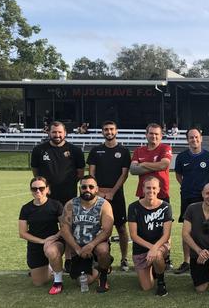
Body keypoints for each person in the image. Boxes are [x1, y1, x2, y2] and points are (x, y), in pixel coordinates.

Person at [173, 127, 209, 274]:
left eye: (196, 137)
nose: (194, 140)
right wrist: (187, 186)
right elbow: (178, 175)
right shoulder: (181, 157)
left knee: (207, 228)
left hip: (205, 199)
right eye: (191, 137)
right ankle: (186, 261)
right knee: (187, 229)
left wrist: (205, 192)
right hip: (187, 197)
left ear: (201, 138)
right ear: (187, 140)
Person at [87, 120, 131, 271]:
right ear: (102, 132)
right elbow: (91, 173)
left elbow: (124, 175)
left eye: (112, 129)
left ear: (116, 131)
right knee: (96, 227)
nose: (109, 132)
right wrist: (97, 191)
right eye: (106, 129)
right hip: (98, 195)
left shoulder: (124, 151)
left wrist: (112, 192)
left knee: (121, 227)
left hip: (116, 195)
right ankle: (97, 257)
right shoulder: (95, 151)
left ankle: (124, 258)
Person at [59, 176, 114, 293]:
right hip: (78, 247)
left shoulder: (104, 205)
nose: (87, 189)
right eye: (84, 187)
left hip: (97, 244)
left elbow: (107, 230)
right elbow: (64, 229)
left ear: (96, 189)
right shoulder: (71, 204)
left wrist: (91, 245)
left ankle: (103, 277)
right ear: (80, 188)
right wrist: (77, 248)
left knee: (103, 250)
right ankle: (98, 268)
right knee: (82, 282)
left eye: (91, 187)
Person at [18, 176, 65, 294]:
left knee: (51, 251)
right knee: (38, 282)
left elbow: (65, 227)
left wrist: (54, 238)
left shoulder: (56, 205)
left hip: (55, 242)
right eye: (34, 189)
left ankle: (58, 282)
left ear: (47, 189)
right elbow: (22, 233)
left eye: (41, 188)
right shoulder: (26, 208)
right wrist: (42, 241)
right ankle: (51, 267)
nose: (38, 191)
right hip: (36, 245)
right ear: (31, 190)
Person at [127, 176, 173, 296]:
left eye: (154, 188)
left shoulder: (165, 206)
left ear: (158, 190)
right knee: (146, 287)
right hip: (141, 247)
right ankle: (153, 269)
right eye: (148, 187)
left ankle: (161, 283)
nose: (151, 191)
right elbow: (133, 235)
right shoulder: (133, 207)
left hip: (160, 244)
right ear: (142, 189)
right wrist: (150, 247)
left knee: (157, 255)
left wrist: (154, 248)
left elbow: (166, 234)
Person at [31, 121, 85, 206]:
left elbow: (80, 173)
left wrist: (69, 184)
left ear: (65, 133)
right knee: (47, 219)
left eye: (60, 132)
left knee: (67, 219)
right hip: (46, 195)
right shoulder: (38, 150)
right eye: (54, 132)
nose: (57, 135)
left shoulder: (75, 151)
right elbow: (35, 171)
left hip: (68, 195)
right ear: (49, 133)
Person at [130, 123, 173, 202]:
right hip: (144, 193)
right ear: (146, 135)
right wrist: (157, 166)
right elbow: (133, 170)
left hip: (161, 193)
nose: (154, 136)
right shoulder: (138, 150)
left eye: (156, 134)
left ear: (161, 136)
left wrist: (143, 164)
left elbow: (164, 165)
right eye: (151, 133)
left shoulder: (165, 148)